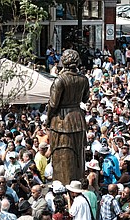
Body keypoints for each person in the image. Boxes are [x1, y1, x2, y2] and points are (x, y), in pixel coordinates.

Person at [47, 49, 89, 185]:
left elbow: (53, 104)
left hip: (61, 120)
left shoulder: (60, 80)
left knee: (62, 155)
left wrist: (48, 119)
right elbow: (85, 98)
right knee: (78, 155)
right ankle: (76, 182)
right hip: (78, 118)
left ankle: (64, 184)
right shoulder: (84, 79)